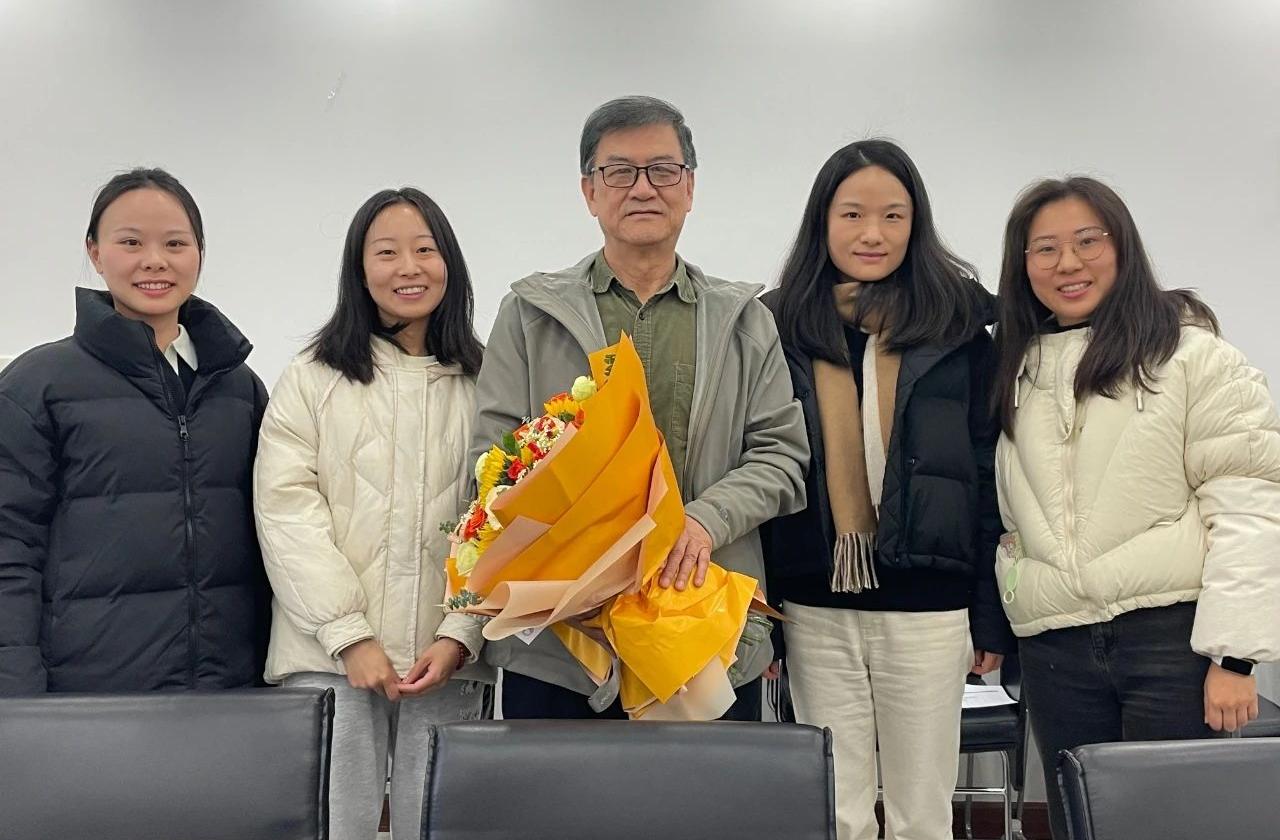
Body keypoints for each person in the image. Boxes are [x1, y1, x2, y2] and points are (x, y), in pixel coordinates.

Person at [471, 95, 809, 720]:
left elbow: (782, 457)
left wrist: (702, 523)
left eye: (662, 170)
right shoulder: (528, 315)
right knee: (555, 788)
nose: (643, 188)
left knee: (704, 790)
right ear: (589, 191)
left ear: (689, 187)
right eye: (619, 171)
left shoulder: (745, 321)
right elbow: (492, 460)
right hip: (563, 644)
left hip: (703, 626)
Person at [992, 176, 1280, 840]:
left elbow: (1250, 505)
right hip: (1055, 646)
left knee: (1171, 823)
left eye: (1088, 241)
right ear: (1023, 265)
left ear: (1122, 246)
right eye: (1045, 248)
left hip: (1171, 643)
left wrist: (1235, 658)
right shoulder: (1015, 370)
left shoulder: (1193, 357)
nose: (1068, 263)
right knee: (1078, 823)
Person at [762, 140, 1013, 840]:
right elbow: (761, 468)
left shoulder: (962, 331)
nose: (872, 233)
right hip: (813, 603)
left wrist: (988, 616)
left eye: (892, 216)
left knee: (922, 814)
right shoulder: (776, 327)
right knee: (836, 812)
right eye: (853, 214)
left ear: (915, 224)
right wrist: (764, 617)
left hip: (930, 605)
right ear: (822, 222)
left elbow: (989, 478)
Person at [254, 188, 490, 839]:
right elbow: (286, 512)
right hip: (329, 660)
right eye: (386, 252)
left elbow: (503, 517)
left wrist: (461, 635)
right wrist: (349, 636)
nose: (408, 268)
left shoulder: (486, 381)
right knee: (330, 827)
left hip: (446, 665)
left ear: (450, 263)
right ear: (359, 271)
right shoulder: (312, 378)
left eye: (425, 250)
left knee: (443, 825)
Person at [0, 167, 269, 695]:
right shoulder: (37, 385)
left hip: (229, 693)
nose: (155, 260)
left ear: (199, 254)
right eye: (130, 242)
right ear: (95, 253)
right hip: (88, 697)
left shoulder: (239, 387)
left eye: (175, 243)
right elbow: (9, 545)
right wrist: (15, 695)